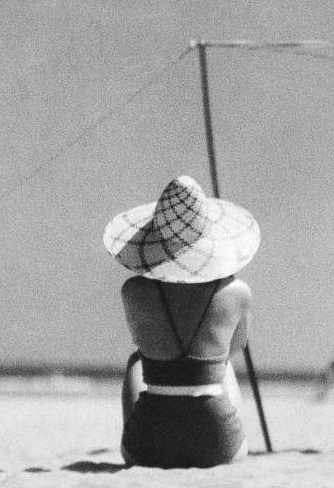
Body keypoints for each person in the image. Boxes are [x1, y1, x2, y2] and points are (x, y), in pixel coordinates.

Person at [103, 174, 259, 468]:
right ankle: (226, 425)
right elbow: (237, 346)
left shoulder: (134, 291)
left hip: (148, 446)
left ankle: (135, 431)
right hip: (218, 445)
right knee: (223, 364)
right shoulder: (238, 292)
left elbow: (143, 344)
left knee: (136, 362)